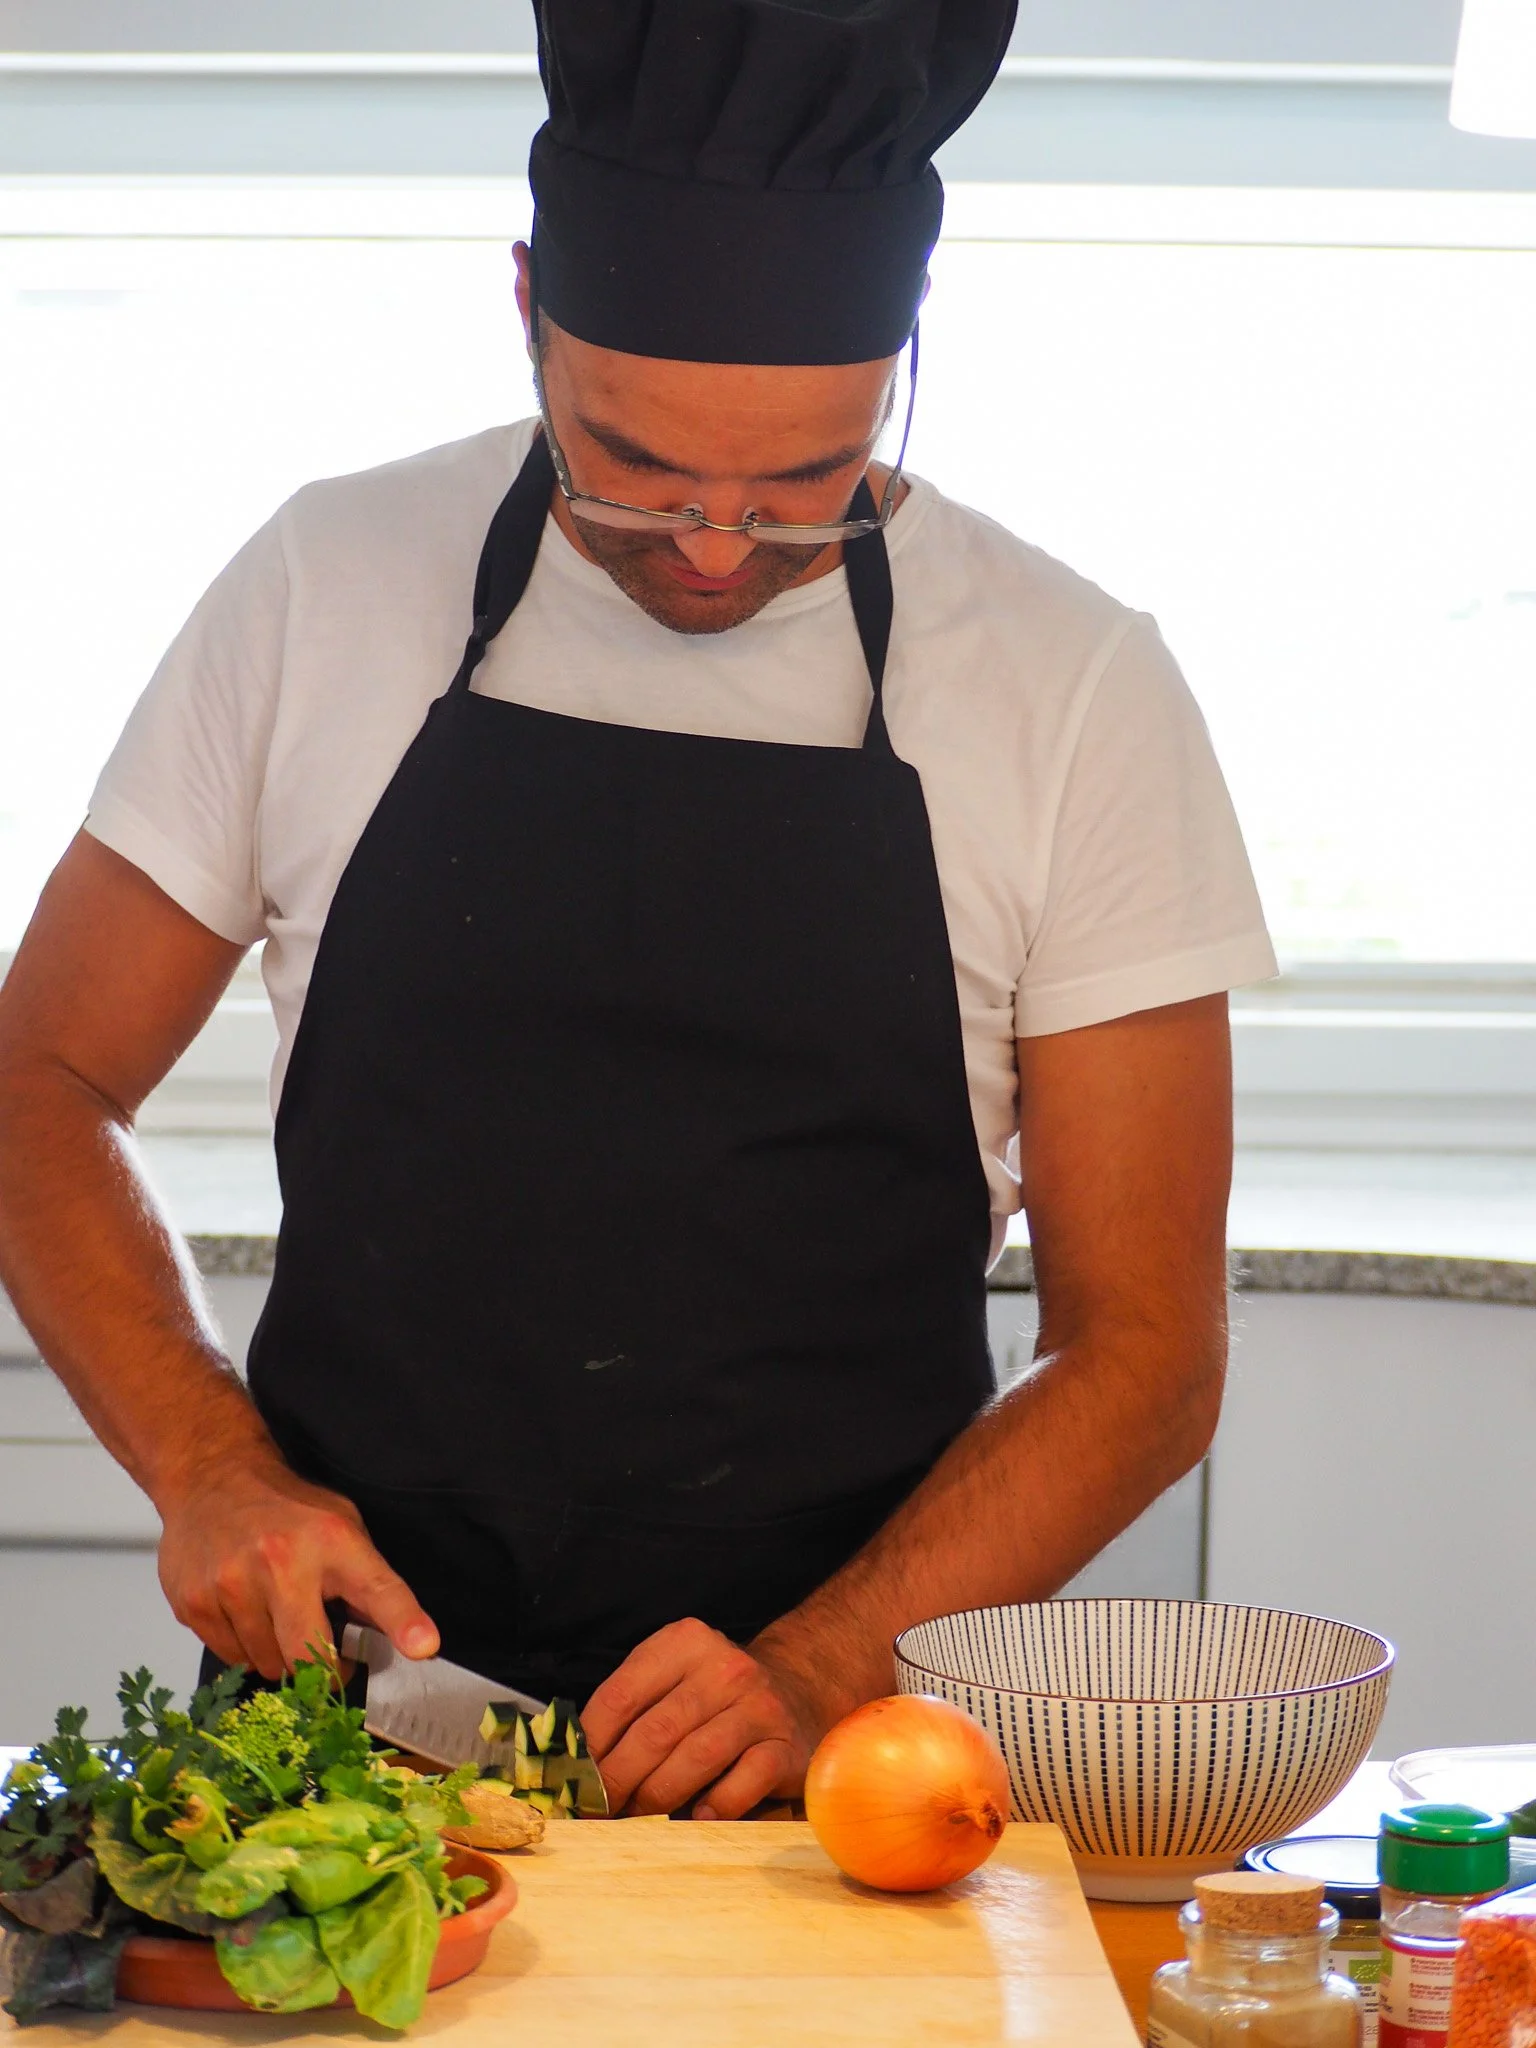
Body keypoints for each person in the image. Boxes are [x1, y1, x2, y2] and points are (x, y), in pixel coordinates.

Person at [0, 0, 1276, 1820]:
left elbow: (1146, 1352)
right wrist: (209, 1464)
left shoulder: (1075, 690)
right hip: (331, 1733)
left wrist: (829, 1665)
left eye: (802, 492)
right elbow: (35, 1076)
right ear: (524, 306)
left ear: (904, 358)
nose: (709, 548)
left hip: (826, 1768)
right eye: (637, 471)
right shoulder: (323, 584)